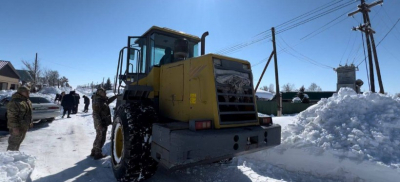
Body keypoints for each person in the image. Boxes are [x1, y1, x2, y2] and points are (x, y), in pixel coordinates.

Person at [90, 88, 117, 159]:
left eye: (104, 92)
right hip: (100, 122)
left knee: (99, 136)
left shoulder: (102, 99)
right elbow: (96, 114)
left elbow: (107, 102)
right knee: (101, 138)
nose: (104, 93)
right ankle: (98, 154)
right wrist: (99, 125)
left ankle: (94, 151)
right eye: (102, 92)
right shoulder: (98, 101)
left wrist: (115, 96)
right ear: (99, 93)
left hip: (103, 122)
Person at [7, 86, 33, 151]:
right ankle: (9, 158)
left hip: (23, 126)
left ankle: (15, 156)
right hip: (17, 127)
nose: (28, 93)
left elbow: (28, 113)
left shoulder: (26, 101)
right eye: (26, 92)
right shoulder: (15, 102)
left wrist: (30, 122)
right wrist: (15, 128)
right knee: (13, 143)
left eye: (28, 92)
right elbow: (12, 116)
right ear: (21, 92)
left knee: (18, 142)